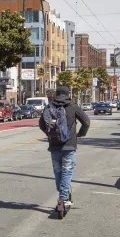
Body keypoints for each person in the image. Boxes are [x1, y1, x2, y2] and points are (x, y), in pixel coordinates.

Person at [39, 86, 90, 218]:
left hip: (54, 146)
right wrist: (80, 134)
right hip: (69, 146)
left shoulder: (49, 107)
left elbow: (41, 124)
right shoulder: (72, 106)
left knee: (58, 172)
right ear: (68, 94)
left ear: (56, 94)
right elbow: (86, 122)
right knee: (67, 171)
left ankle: (63, 195)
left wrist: (49, 134)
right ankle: (62, 200)